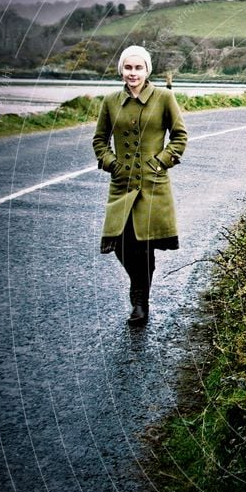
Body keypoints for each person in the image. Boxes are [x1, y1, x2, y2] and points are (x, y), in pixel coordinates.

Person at [92, 45, 187, 326]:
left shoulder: (164, 97)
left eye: (138, 68)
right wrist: (111, 163)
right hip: (121, 184)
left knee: (143, 246)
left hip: (153, 185)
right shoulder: (110, 101)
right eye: (128, 68)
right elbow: (99, 140)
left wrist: (161, 162)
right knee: (120, 242)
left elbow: (180, 136)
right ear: (121, 69)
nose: (133, 73)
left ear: (147, 70)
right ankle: (140, 290)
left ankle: (139, 303)